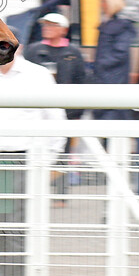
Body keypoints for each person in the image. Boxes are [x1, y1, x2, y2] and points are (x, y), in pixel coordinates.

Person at [0, 33, 66, 276]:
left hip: (27, 158)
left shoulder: (39, 75)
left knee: (17, 228)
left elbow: (56, 120)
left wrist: (49, 162)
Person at [23, 12, 87, 206]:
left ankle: (59, 196)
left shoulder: (73, 53)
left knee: (62, 154)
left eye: (52, 25)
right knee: (34, 151)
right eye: (45, 25)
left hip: (65, 113)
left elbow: (81, 82)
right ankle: (33, 192)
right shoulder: (33, 50)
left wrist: (76, 114)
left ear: (63, 29)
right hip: (36, 113)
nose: (47, 28)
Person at [93, 0, 136, 121]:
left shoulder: (121, 25)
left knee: (110, 117)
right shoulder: (113, 24)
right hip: (106, 78)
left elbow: (119, 53)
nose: (102, 5)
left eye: (104, 2)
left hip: (112, 79)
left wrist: (99, 64)